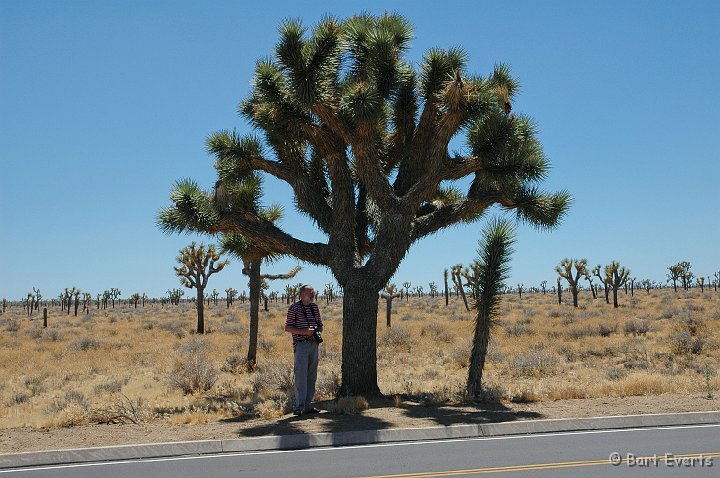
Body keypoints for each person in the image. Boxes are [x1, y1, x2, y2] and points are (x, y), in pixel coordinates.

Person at [285, 284, 323, 415]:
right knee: (301, 376)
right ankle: (299, 407)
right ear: (302, 295)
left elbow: (320, 324)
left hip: (313, 345)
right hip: (301, 345)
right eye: (310, 293)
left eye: (313, 293)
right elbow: (288, 327)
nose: (313, 295)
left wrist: (316, 332)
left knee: (312, 376)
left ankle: (308, 406)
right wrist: (304, 332)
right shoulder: (294, 308)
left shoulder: (314, 308)